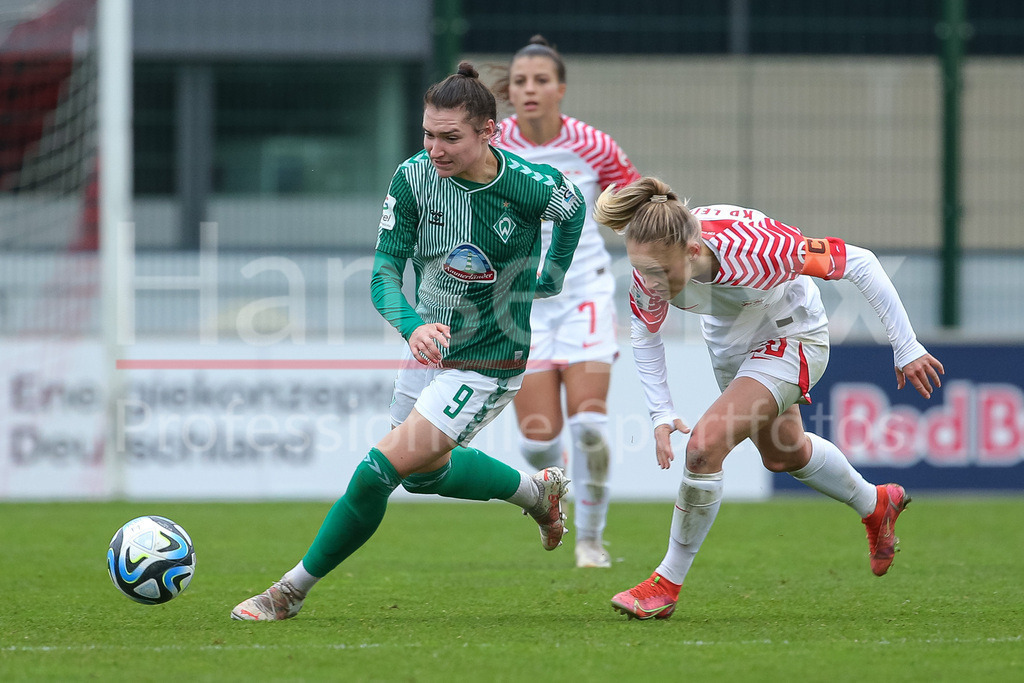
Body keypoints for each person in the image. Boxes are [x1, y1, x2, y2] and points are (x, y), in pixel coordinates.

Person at [230, 62, 587, 621]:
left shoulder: (527, 184)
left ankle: (289, 591)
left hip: (489, 361)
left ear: (487, 132)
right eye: (428, 133)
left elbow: (572, 212)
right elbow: (382, 273)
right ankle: (535, 493)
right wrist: (413, 325)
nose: (436, 148)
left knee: (380, 468)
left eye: (451, 137)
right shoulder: (412, 178)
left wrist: (554, 273)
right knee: (423, 475)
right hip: (428, 348)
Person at [594, 178, 944, 621]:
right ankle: (877, 503)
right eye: (641, 271)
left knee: (704, 447)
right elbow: (645, 335)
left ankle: (664, 584)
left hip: (791, 333)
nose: (649, 283)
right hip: (730, 345)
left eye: (660, 273)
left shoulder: (755, 246)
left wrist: (906, 346)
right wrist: (661, 411)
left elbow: (861, 261)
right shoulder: (652, 267)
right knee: (784, 455)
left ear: (693, 249)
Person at [491, 35, 641, 568]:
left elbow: (637, 205)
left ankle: (592, 539)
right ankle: (551, 498)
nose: (528, 89)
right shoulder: (493, 143)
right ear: (508, 90)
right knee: (537, 443)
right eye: (520, 82)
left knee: (592, 429)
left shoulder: (594, 145)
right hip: (520, 298)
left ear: (560, 89)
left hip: (584, 291)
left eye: (540, 80)